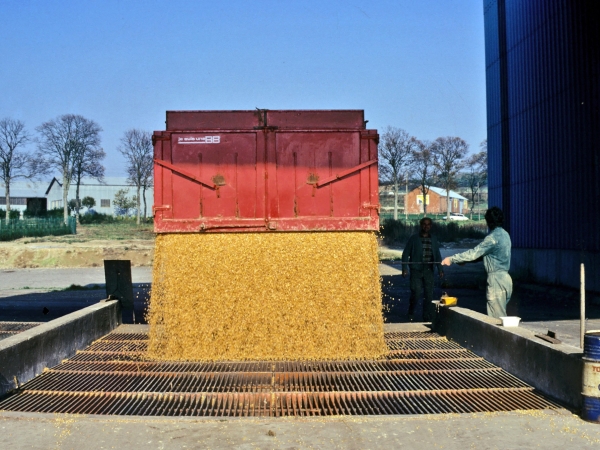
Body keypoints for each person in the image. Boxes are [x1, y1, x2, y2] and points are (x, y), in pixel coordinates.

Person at [441, 207, 512, 318]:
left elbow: (474, 253)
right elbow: (486, 255)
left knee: (496, 320)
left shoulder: (492, 238)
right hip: (506, 279)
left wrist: (452, 259)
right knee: (501, 315)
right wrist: (464, 261)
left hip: (496, 280)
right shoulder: (505, 235)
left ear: (488, 221)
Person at [402, 217, 444, 322]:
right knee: (416, 292)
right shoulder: (414, 238)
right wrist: (404, 268)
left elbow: (437, 255)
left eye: (428, 224)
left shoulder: (433, 239)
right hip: (416, 269)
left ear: (431, 226)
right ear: (421, 225)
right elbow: (405, 253)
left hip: (429, 270)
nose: (426, 226)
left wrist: (440, 269)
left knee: (429, 294)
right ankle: (411, 312)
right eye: (424, 224)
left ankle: (426, 316)